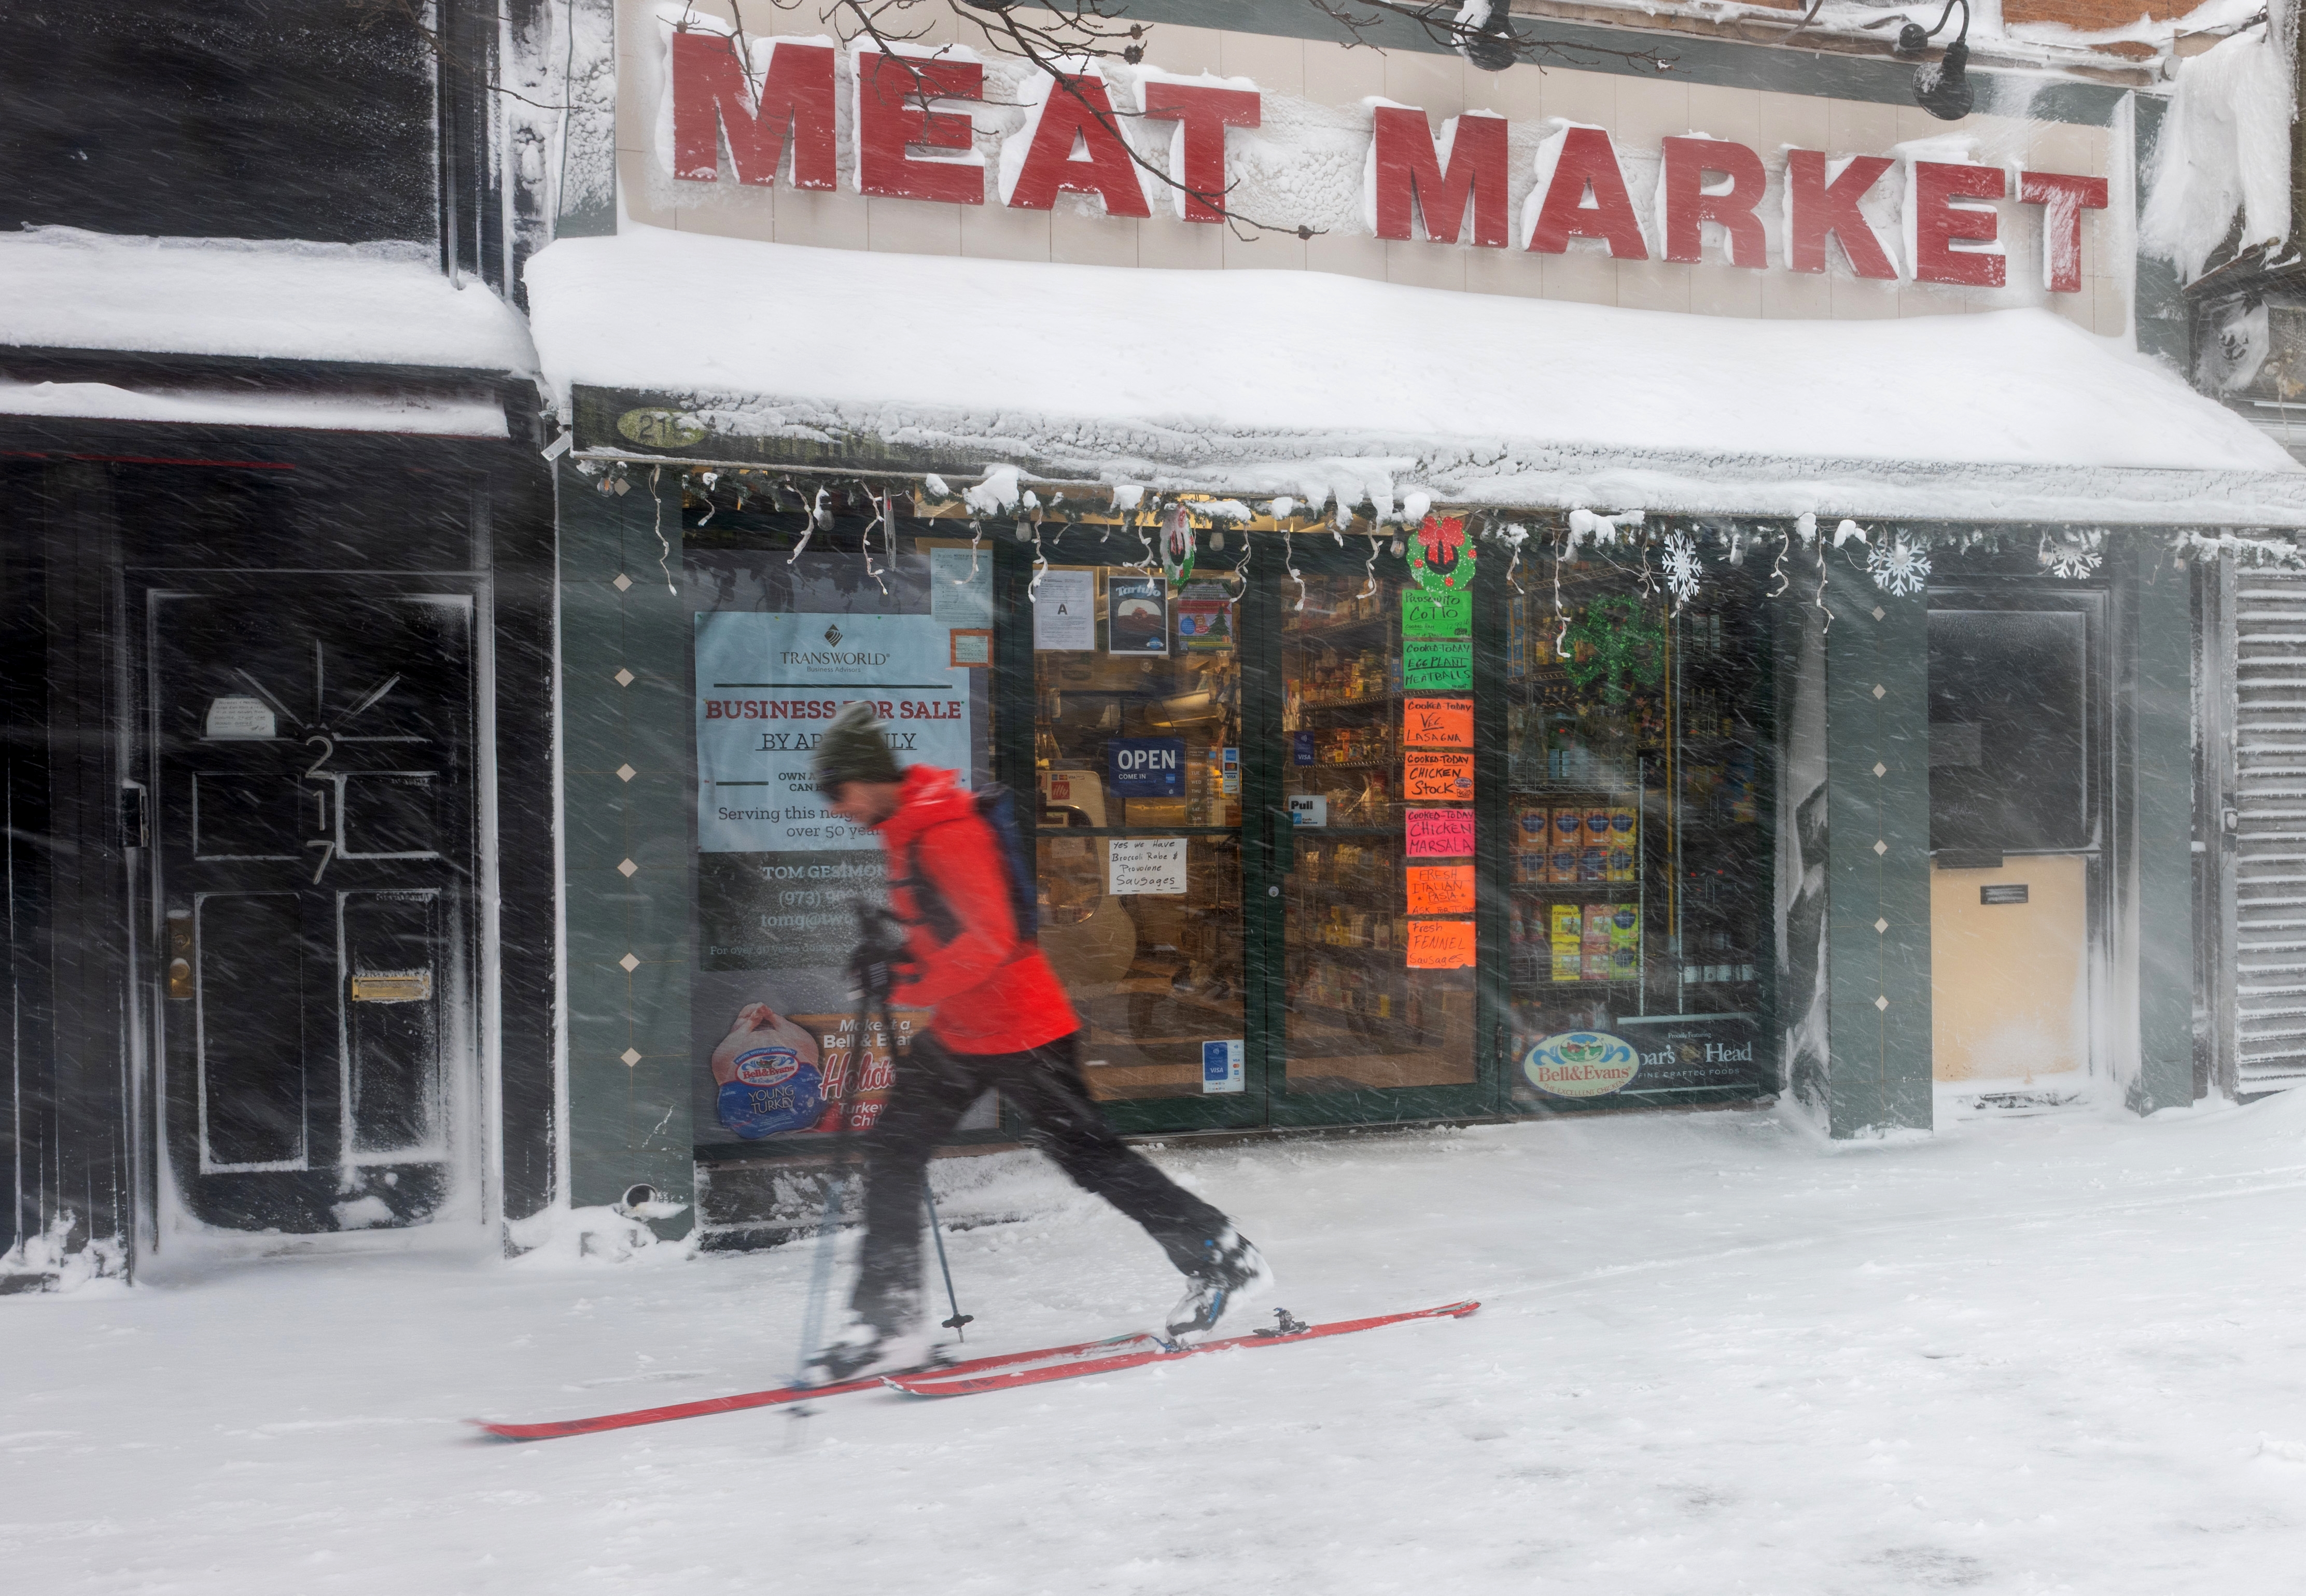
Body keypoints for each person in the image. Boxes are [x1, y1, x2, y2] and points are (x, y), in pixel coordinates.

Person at [808, 699, 1267, 1379]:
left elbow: (992, 937)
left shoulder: (945, 830)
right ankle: (889, 1320)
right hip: (967, 1028)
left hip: (1024, 1028)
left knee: (1092, 1160)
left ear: (869, 779)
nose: (836, 809)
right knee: (895, 1148)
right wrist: (894, 957)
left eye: (838, 793)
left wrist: (908, 980)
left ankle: (1222, 1255)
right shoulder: (904, 826)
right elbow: (949, 928)